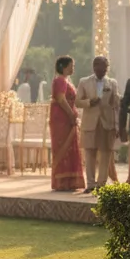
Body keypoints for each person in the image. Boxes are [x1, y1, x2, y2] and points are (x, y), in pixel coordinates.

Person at [76, 56, 120, 193]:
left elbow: (115, 104)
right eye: (101, 68)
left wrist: (117, 125)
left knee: (106, 154)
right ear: (94, 67)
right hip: (90, 122)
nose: (103, 71)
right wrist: (89, 102)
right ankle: (90, 184)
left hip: (107, 123)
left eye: (105, 68)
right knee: (90, 153)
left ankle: (101, 184)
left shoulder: (112, 83)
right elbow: (77, 102)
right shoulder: (84, 82)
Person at [49, 55, 84, 191]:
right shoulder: (60, 81)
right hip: (62, 119)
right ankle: (62, 181)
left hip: (67, 117)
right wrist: (71, 114)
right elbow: (61, 99)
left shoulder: (66, 81)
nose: (73, 68)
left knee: (71, 148)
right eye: (71, 66)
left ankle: (69, 181)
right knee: (63, 147)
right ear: (63, 67)